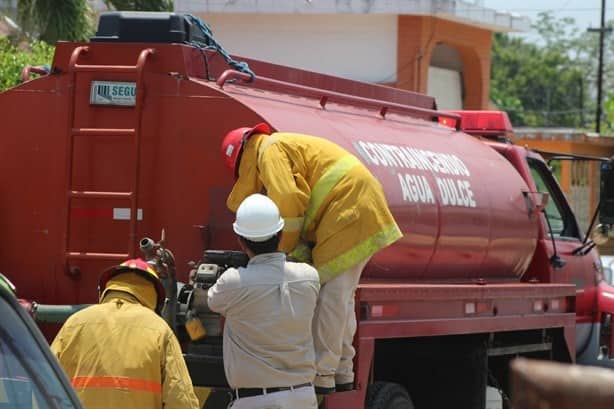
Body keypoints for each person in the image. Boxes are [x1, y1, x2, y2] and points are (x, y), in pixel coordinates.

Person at [220, 124, 403, 394]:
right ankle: (340, 370)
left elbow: (289, 201)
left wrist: (280, 251)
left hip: (348, 210)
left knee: (330, 295)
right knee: (340, 295)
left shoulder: (268, 152)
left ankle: (323, 373)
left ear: (242, 160)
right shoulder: (279, 146)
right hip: (355, 207)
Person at [207, 193, 320, 409]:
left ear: (240, 241)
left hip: (256, 400)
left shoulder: (233, 282)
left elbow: (211, 301)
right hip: (303, 397)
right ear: (280, 234)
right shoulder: (309, 276)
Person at [50, 259, 199, 409]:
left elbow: (43, 382)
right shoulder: (160, 330)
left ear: (106, 288)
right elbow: (181, 400)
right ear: (154, 295)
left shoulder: (74, 324)